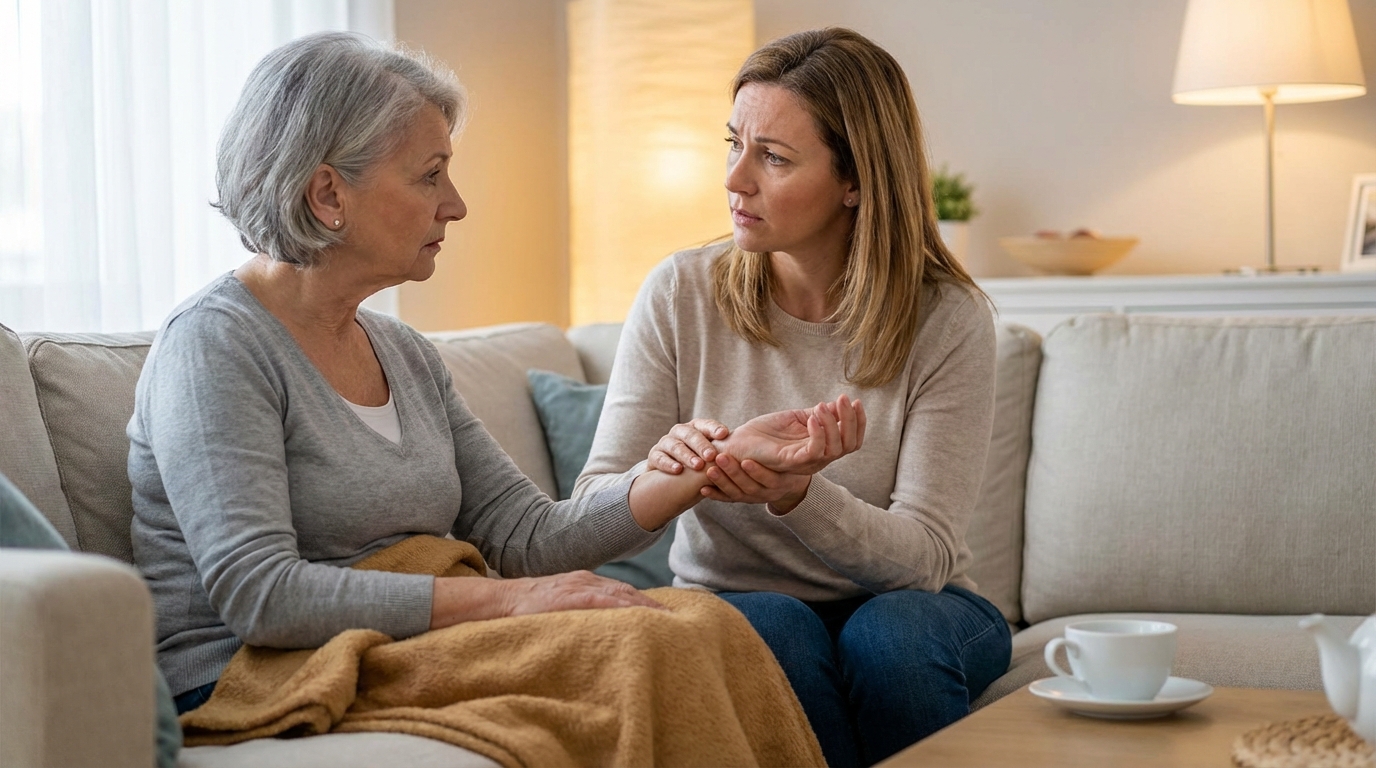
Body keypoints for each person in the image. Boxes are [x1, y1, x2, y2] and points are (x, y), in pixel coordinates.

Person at [127, 31, 861, 717]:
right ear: (328, 194)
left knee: (697, 623)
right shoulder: (215, 348)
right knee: (642, 645)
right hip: (257, 675)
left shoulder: (403, 354)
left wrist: (715, 464)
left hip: (396, 649)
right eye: (429, 176)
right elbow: (261, 596)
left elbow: (527, 538)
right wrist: (509, 603)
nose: (457, 205)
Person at [576, 27, 1011, 767]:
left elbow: (926, 558)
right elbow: (590, 516)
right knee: (771, 628)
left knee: (890, 638)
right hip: (741, 599)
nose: (735, 179)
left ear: (856, 181)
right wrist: (672, 473)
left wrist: (801, 496)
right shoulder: (680, 292)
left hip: (920, 608)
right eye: (733, 143)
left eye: (773, 157)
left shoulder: (946, 318)